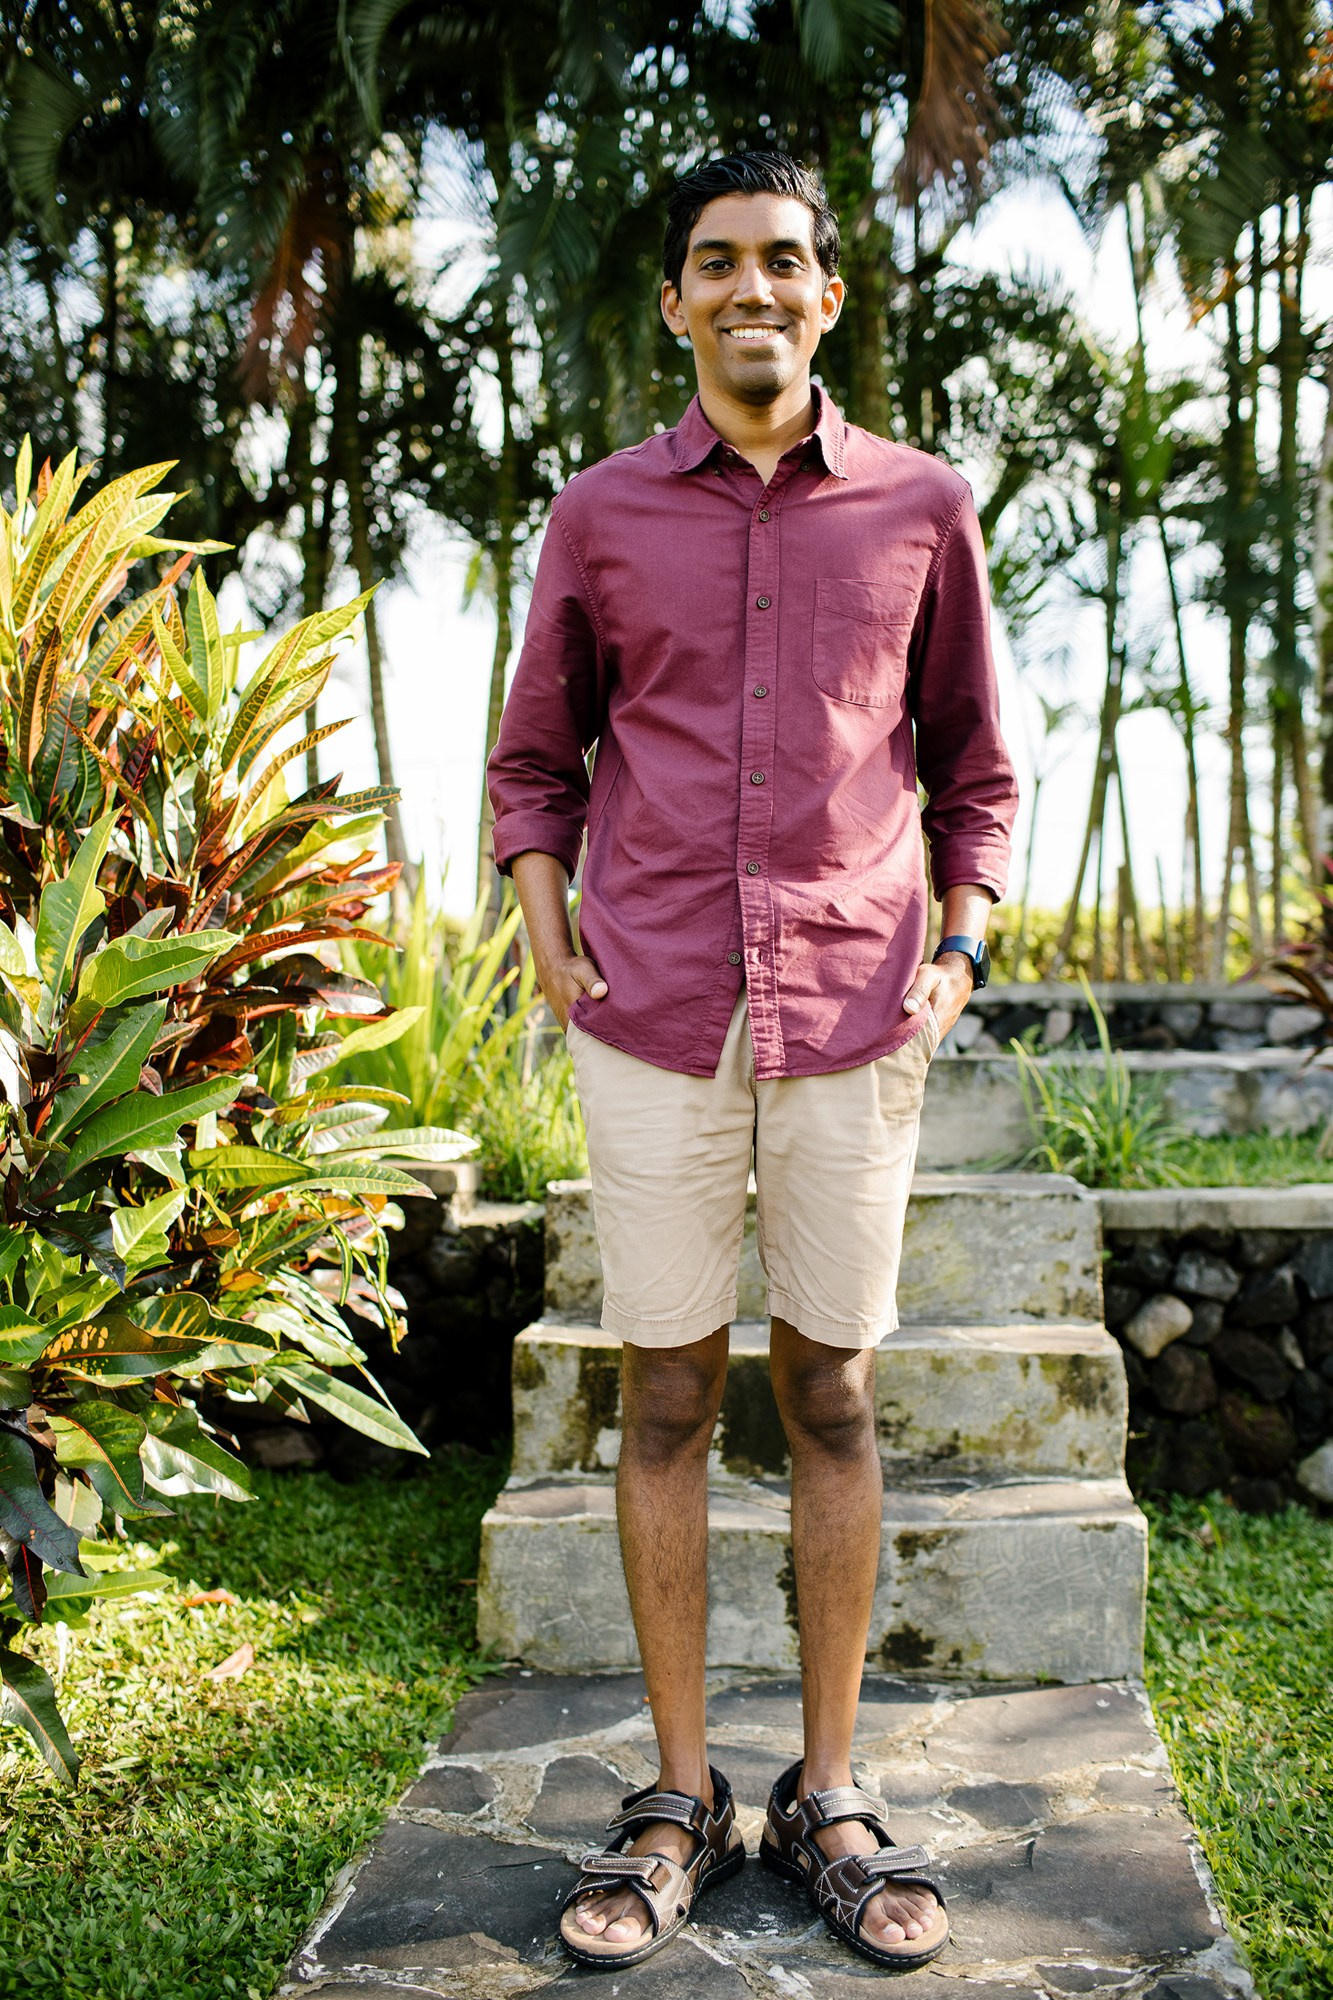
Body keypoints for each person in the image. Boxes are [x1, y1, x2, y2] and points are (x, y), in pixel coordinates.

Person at [487, 149, 1018, 1973]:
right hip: (650, 1002)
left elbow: (974, 763)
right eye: (715, 262)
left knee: (834, 1394)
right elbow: (535, 758)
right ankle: (677, 1794)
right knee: (660, 1396)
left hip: (855, 1003)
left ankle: (831, 1791)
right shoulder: (599, 513)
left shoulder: (922, 505)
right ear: (675, 302)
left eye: (783, 260)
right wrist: (543, 919)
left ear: (827, 294)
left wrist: (958, 948)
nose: (751, 290)